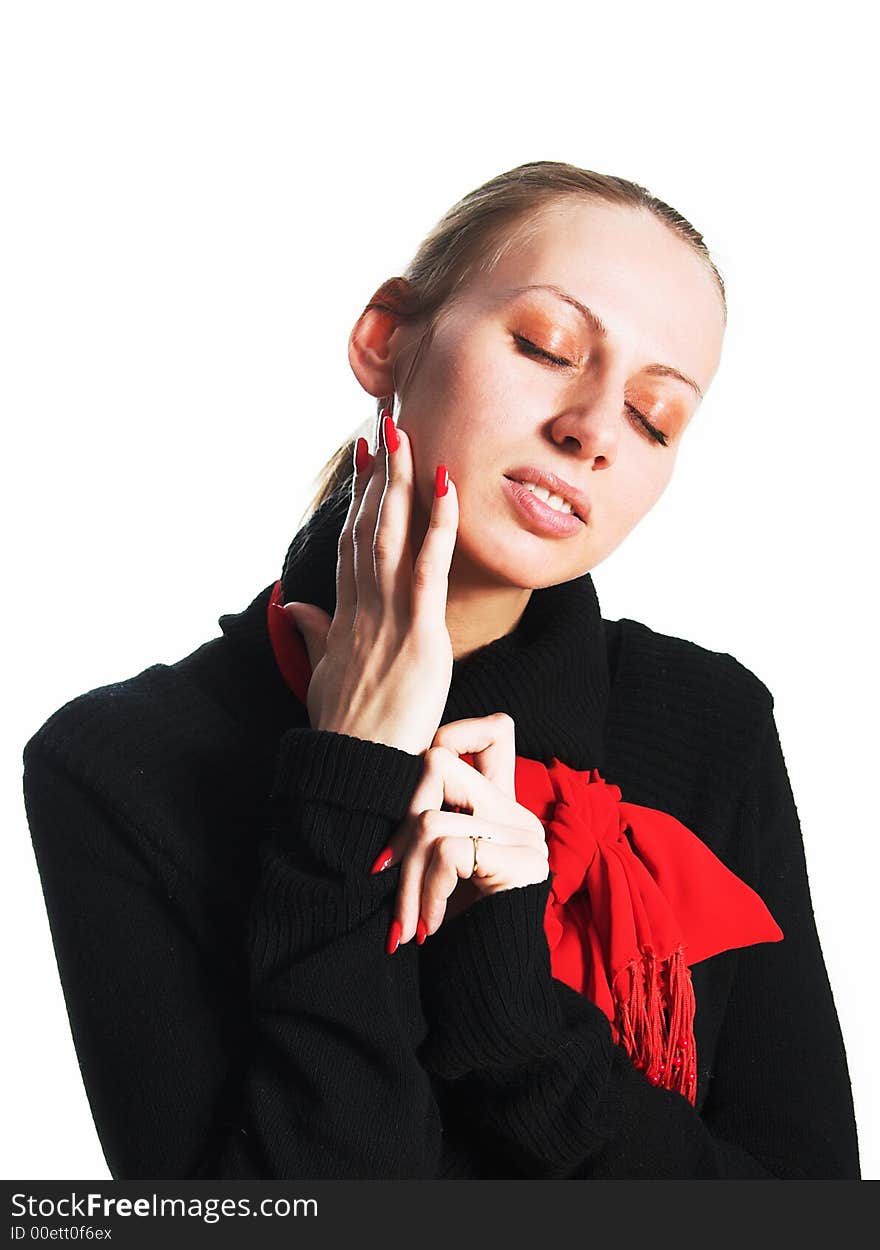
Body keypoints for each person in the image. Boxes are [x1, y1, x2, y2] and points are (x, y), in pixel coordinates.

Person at [22, 160, 861, 1180]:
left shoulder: (707, 722)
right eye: (547, 347)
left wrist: (511, 1003)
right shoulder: (118, 762)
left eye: (654, 418)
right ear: (386, 339)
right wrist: (347, 778)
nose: (592, 429)